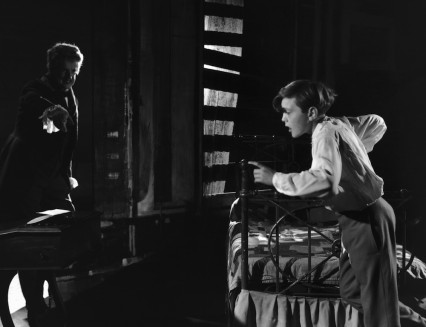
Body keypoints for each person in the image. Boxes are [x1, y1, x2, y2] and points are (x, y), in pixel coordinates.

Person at [249, 80, 426, 327]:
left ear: (310, 112)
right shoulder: (339, 124)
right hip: (358, 218)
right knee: (353, 292)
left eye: (288, 112)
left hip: (367, 217)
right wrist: (352, 153)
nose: (284, 119)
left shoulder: (324, 132)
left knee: (378, 301)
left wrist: (275, 178)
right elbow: (377, 122)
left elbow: (325, 180)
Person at [0, 42, 83, 326]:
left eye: (74, 71)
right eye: (64, 71)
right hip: (24, 179)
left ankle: (47, 295)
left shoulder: (70, 94)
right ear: (52, 68)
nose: (69, 77)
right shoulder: (33, 91)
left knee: (61, 232)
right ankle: (35, 306)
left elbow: (68, 146)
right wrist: (52, 111)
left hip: (51, 177)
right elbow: (34, 105)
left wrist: (66, 178)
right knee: (29, 245)